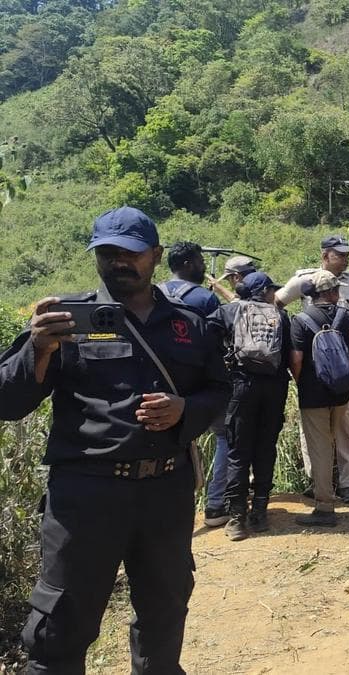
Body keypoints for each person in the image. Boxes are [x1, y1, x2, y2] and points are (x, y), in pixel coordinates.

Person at [0, 207, 230, 673]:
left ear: (156, 256)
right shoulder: (64, 321)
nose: (119, 262)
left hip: (165, 492)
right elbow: (7, 401)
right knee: (60, 625)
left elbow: (220, 392)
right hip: (85, 497)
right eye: (107, 253)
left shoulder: (190, 324)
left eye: (131, 253)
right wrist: (37, 350)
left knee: (164, 614)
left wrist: (185, 409)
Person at [276, 235, 349, 505]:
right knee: (315, 433)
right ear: (324, 256)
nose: (345, 259)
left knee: (346, 425)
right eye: (339, 254)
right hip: (313, 366)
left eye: (346, 255)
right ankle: (318, 483)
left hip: (344, 364)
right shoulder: (303, 279)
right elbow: (276, 304)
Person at [209, 272, 293, 540]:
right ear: (264, 290)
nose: (274, 295)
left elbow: (206, 340)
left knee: (238, 451)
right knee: (265, 448)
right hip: (274, 388)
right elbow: (289, 355)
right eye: (272, 290)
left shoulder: (229, 311)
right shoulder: (280, 316)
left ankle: (236, 519)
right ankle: (260, 513)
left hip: (240, 387)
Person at [291, 270, 349, 527]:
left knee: (320, 449)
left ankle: (325, 507)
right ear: (334, 292)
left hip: (313, 395)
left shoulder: (301, 320)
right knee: (344, 437)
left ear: (314, 295)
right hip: (342, 392)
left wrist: (302, 382)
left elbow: (296, 361)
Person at [160, 241, 233, 527]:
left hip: (161, 385)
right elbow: (218, 341)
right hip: (202, 387)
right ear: (189, 263)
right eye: (201, 261)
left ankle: (165, 508)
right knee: (225, 436)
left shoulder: (153, 295)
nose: (204, 266)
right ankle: (215, 505)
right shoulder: (204, 299)